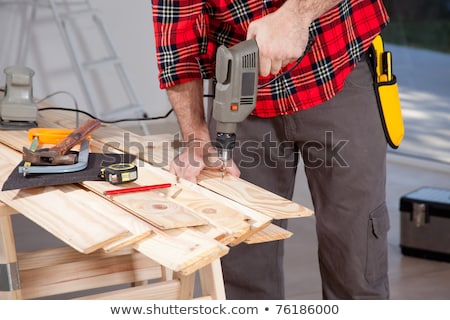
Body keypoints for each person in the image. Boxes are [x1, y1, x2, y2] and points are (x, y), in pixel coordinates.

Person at [151, 0, 391, 299]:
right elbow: (178, 43)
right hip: (242, 97)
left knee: (356, 257)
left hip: (336, 68)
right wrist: (197, 138)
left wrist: (295, 15)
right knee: (241, 260)